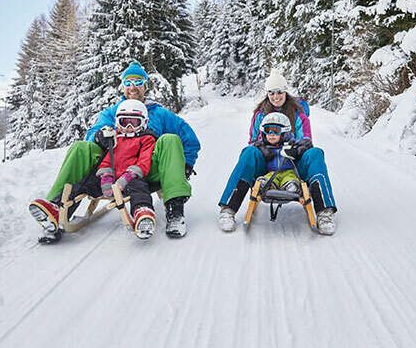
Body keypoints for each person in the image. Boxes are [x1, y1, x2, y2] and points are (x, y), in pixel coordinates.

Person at [29, 61, 200, 240]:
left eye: (138, 82)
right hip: (112, 169)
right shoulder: (112, 113)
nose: (132, 87)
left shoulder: (160, 113)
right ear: (122, 86)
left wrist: (186, 163)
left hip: (147, 170)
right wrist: (98, 137)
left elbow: (189, 137)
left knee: (170, 139)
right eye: (128, 83)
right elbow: (92, 133)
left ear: (145, 86)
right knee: (80, 147)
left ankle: (175, 212)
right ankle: (57, 208)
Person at [217, 69, 338, 234]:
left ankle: (324, 212)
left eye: (279, 92)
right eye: (272, 93)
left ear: (285, 92)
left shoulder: (298, 114)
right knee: (248, 152)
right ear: (267, 94)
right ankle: (228, 209)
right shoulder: (260, 115)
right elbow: (253, 140)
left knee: (316, 153)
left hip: (293, 163)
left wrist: (297, 149)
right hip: (266, 165)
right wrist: (263, 148)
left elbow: (307, 140)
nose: (276, 97)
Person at [95, 100, 157, 239]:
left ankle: (142, 211)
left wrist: (128, 176)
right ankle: (58, 206)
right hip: (111, 177)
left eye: (134, 123)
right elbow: (107, 158)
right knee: (86, 182)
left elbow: (144, 161)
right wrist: (105, 175)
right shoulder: (114, 138)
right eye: (124, 122)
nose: (128, 127)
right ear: (117, 122)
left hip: (131, 178)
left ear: (143, 123)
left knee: (139, 188)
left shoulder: (146, 138)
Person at [251, 112, 302, 194]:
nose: (271, 134)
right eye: (268, 130)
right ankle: (267, 185)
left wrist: (296, 151)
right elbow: (253, 145)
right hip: (271, 172)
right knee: (269, 177)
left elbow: (302, 147)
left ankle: (291, 185)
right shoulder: (263, 146)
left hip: (288, 171)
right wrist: (262, 149)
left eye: (276, 130)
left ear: (284, 133)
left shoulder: (291, 143)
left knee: (290, 177)